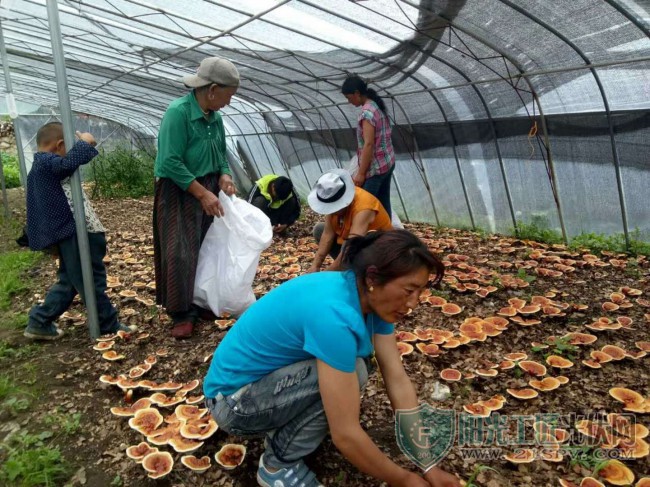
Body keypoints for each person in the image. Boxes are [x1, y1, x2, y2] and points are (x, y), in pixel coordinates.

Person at [204, 230, 460, 487]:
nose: (413, 303)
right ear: (373, 277)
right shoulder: (334, 315)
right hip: (234, 404)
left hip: (261, 386)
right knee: (353, 372)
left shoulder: (367, 297)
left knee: (352, 369)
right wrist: (404, 480)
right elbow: (345, 435)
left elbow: (397, 379)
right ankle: (278, 466)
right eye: (409, 290)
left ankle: (287, 428)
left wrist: (428, 465)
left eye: (420, 292)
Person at [24, 122, 135, 340]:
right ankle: (108, 324)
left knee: (70, 281)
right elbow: (66, 164)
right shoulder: (46, 162)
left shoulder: (40, 167)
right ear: (60, 145)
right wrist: (86, 143)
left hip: (71, 232)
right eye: (71, 147)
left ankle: (40, 321)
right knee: (90, 279)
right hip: (74, 232)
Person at [153, 57, 239, 339]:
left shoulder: (216, 118)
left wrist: (224, 174)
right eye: (228, 96)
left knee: (205, 247)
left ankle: (200, 301)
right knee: (179, 250)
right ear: (212, 90)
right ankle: (180, 312)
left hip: (209, 185)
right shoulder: (178, 113)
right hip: (180, 189)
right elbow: (169, 162)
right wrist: (201, 193)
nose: (228, 102)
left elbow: (221, 153)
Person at [307, 169, 392, 273]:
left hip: (377, 250)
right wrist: (315, 265)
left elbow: (352, 244)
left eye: (334, 208)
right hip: (350, 242)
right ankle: (345, 266)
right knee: (319, 229)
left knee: (347, 247)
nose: (332, 212)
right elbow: (327, 234)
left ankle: (353, 270)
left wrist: (326, 274)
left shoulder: (364, 208)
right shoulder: (332, 196)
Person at [341, 75, 396, 218]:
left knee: (362, 208)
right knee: (384, 204)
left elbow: (369, 144)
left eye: (349, 97)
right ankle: (387, 234)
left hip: (375, 169)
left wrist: (361, 173)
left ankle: (361, 238)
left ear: (357, 93)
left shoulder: (367, 113)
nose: (349, 101)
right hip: (387, 162)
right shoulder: (376, 105)